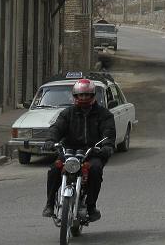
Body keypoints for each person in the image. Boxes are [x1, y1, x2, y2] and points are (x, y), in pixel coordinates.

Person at [42, 78, 116, 222]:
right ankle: (49, 204)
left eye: (87, 95)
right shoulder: (67, 113)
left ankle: (91, 206)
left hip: (92, 152)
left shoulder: (104, 114)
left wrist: (107, 146)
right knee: (54, 169)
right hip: (69, 151)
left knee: (95, 170)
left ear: (93, 95)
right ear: (75, 96)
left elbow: (108, 133)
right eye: (81, 95)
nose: (84, 98)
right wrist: (50, 140)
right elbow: (57, 128)